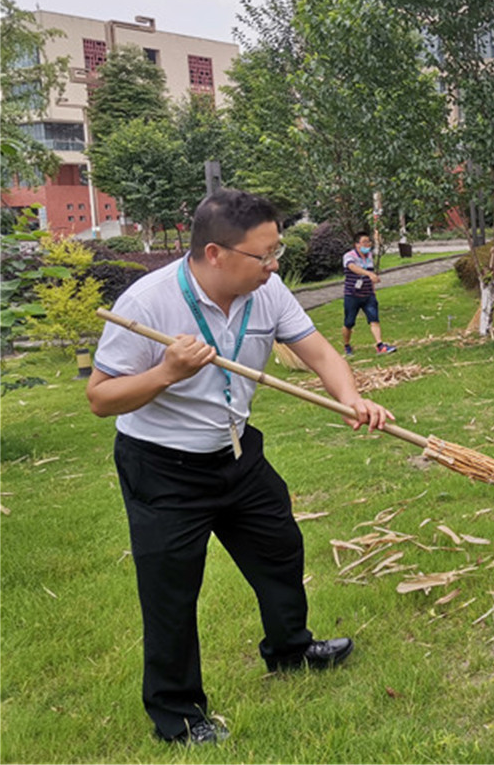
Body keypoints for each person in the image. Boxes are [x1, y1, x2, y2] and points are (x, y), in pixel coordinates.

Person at [87, 189, 395, 746]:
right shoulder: (148, 303)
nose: (275, 264)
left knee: (281, 549)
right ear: (215, 254)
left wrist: (351, 398)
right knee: (171, 590)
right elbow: (101, 398)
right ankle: (178, 715)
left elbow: (319, 351)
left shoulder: (267, 291)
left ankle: (291, 650)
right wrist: (166, 373)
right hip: (162, 466)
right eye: (265, 254)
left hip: (236, 452)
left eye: (277, 251)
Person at [342, 233, 397, 355]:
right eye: (364, 242)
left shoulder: (369, 256)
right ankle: (347, 345)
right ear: (357, 244)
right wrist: (369, 274)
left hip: (368, 295)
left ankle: (380, 345)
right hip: (352, 295)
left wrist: (373, 290)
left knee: (374, 319)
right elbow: (352, 267)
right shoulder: (349, 256)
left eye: (369, 242)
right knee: (349, 323)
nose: (367, 244)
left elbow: (370, 275)